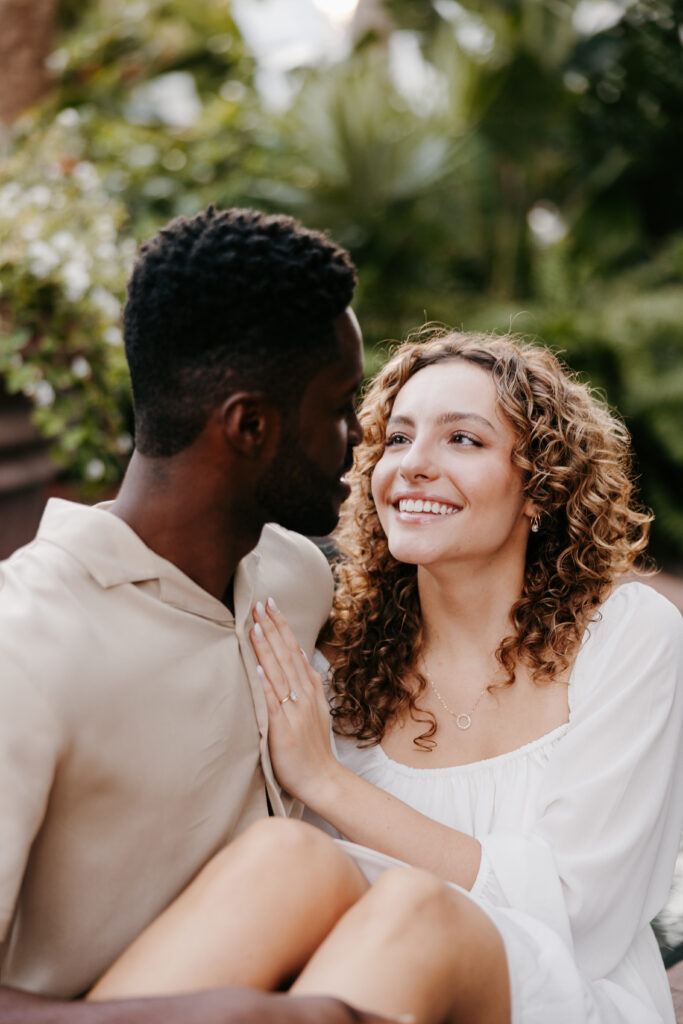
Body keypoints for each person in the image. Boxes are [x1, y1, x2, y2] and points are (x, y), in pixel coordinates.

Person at [83, 331, 683, 1024]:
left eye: (463, 440)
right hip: (364, 985)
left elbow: (582, 916)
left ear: (539, 487)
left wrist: (327, 782)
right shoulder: (333, 660)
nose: (415, 465)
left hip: (562, 997)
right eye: (396, 439)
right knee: (286, 853)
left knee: (416, 905)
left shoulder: (627, 635)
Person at [0, 205, 403, 1024]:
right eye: (340, 406)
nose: (362, 436)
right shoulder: (27, 647)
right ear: (250, 426)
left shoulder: (292, 577)